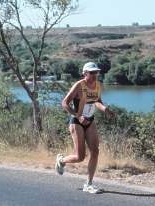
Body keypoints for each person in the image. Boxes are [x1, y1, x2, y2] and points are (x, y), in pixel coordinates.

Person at [55, 62, 115, 194]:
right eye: (92, 73)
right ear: (85, 73)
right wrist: (78, 115)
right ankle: (61, 160)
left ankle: (88, 184)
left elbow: (97, 101)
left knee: (95, 151)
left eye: (96, 72)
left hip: (90, 121)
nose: (95, 75)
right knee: (80, 156)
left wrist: (105, 110)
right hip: (77, 121)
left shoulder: (98, 85)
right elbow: (64, 103)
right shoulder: (79, 85)